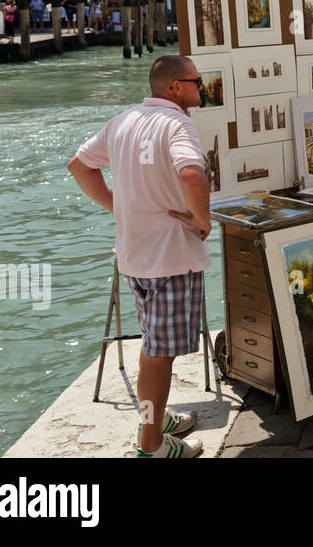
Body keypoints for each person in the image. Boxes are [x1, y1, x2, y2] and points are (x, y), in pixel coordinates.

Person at [67, 55, 212, 458]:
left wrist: (119, 207)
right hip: (171, 255)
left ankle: (156, 416)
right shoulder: (178, 124)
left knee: (153, 345)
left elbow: (80, 167)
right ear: (174, 87)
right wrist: (204, 219)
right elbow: (191, 174)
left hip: (135, 255)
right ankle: (151, 443)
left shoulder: (123, 121)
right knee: (158, 355)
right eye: (196, 81)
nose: (201, 86)